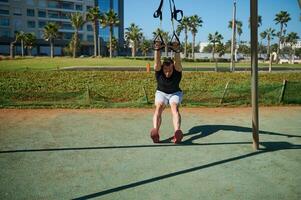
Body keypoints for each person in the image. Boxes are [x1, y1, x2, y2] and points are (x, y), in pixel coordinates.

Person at [150, 40, 184, 144]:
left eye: (170, 70)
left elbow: (177, 62)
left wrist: (176, 49)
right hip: (161, 93)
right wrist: (157, 48)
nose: (167, 72)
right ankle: (155, 131)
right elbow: (157, 61)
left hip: (175, 93)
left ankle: (177, 132)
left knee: (174, 107)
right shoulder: (158, 69)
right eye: (165, 70)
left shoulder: (177, 69)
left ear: (173, 67)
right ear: (162, 68)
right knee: (159, 107)